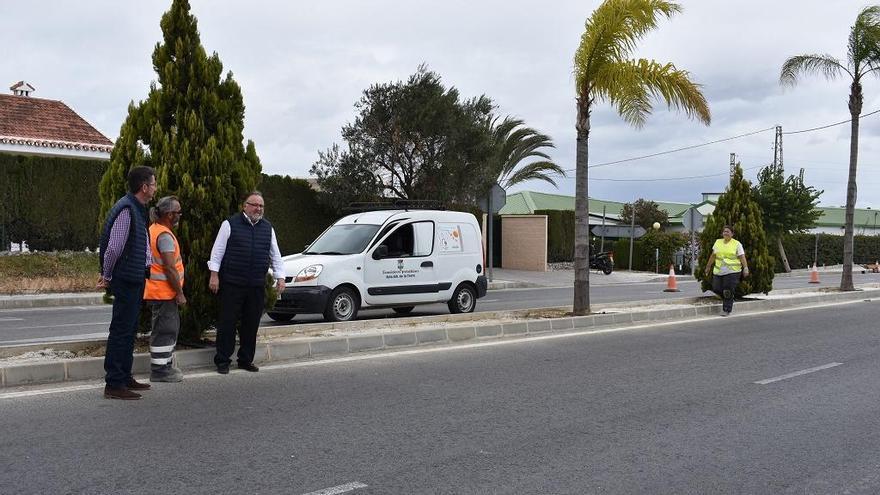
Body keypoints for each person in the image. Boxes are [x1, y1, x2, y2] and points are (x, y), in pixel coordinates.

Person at [208, 191, 285, 374]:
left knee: (251, 324)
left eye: (261, 206)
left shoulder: (268, 228)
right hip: (232, 283)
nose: (258, 208)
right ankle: (222, 361)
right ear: (245, 206)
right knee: (227, 323)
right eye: (254, 204)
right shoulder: (229, 224)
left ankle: (245, 360)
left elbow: (276, 255)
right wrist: (214, 275)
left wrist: (280, 277)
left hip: (256, 284)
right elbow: (217, 252)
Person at [98, 166, 157, 400]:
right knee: (121, 330)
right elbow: (113, 248)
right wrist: (107, 275)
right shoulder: (126, 209)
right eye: (153, 184)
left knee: (129, 328)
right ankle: (113, 383)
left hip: (134, 277)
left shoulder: (137, 208)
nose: (154, 188)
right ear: (144, 187)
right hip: (126, 279)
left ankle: (124, 376)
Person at [143, 196, 186, 382]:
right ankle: (160, 371)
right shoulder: (165, 236)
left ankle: (165, 366)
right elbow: (169, 267)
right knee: (166, 330)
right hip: (164, 292)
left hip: (157, 291)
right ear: (169, 214)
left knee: (164, 329)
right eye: (178, 213)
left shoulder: (154, 229)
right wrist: (180, 293)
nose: (180, 216)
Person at [704, 225, 750, 317]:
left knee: (727, 290)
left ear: (732, 234)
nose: (725, 233)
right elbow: (713, 255)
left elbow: (742, 257)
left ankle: (726, 309)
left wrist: (745, 268)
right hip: (719, 270)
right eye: (724, 231)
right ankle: (729, 297)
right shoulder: (718, 242)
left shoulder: (737, 244)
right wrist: (708, 267)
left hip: (732, 271)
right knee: (716, 288)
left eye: (728, 231)